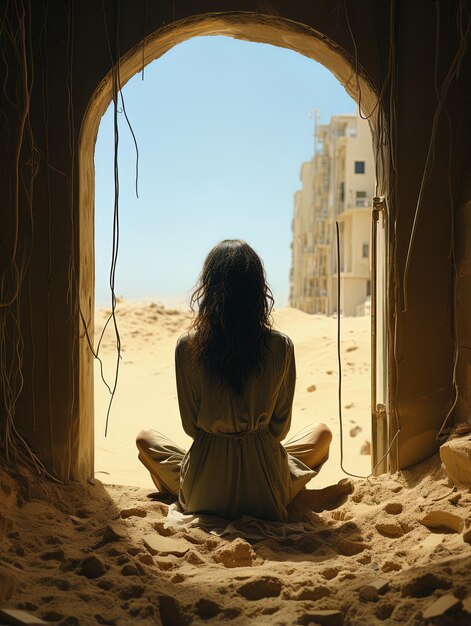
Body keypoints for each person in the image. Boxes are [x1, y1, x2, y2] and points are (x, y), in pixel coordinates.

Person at [136, 240, 332, 522]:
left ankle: (190, 489)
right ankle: (277, 484)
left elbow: (192, 427)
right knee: (321, 433)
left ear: (209, 287)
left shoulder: (187, 346)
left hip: (202, 490)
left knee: (145, 438)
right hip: (265, 492)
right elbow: (279, 429)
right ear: (258, 289)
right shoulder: (281, 346)